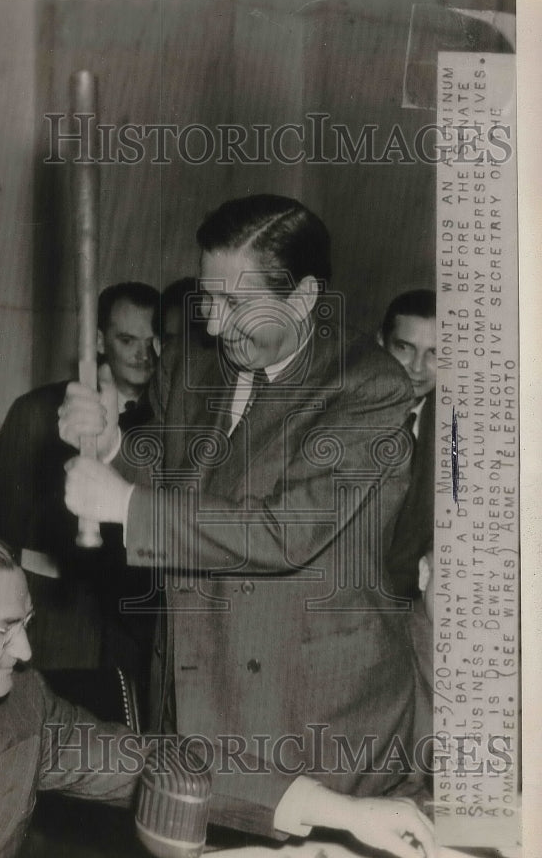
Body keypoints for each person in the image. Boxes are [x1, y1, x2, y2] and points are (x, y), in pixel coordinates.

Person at [0, 519, 437, 858]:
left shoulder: (21, 711)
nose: (26, 652)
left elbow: (162, 763)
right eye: (4, 630)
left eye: (26, 623)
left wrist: (344, 811)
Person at [58, 194, 428, 813]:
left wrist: (128, 507)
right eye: (208, 296)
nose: (214, 322)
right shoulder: (187, 360)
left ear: (304, 297)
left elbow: (286, 530)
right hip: (194, 689)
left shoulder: (368, 386)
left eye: (237, 303)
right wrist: (113, 442)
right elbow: (176, 473)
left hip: (311, 715)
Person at [0, 281, 160, 686]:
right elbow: (3, 528)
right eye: (127, 339)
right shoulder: (39, 412)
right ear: (97, 340)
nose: (142, 354)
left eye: (152, 341)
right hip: (57, 610)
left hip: (137, 615)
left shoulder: (170, 422)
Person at [377, 288, 437, 600]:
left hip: (407, 603)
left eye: (435, 354)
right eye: (404, 347)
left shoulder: (457, 435)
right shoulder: (337, 414)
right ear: (380, 343)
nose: (417, 367)